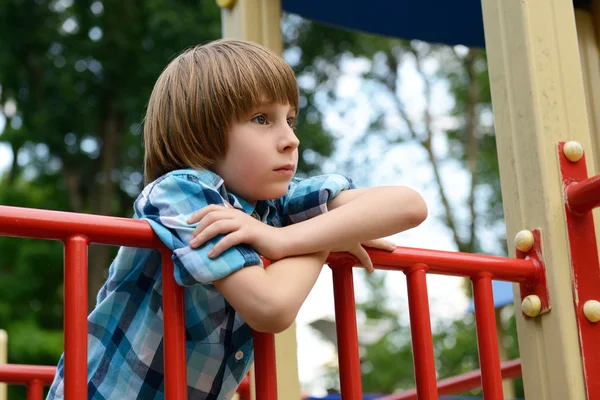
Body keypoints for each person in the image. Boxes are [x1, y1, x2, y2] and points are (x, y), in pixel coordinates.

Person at [47, 39, 427, 399]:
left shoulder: (274, 205)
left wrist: (286, 237)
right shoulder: (181, 192)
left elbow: (408, 205)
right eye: (262, 119)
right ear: (200, 133)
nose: (290, 139)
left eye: (290, 120)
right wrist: (321, 237)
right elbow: (271, 307)